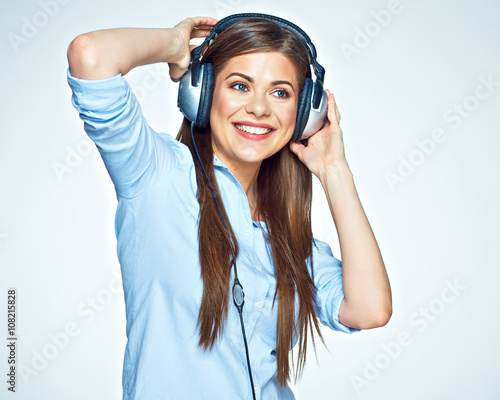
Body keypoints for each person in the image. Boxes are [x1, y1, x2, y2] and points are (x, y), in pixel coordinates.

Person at [66, 14, 392, 400]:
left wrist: (334, 171)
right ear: (201, 93)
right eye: (240, 85)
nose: (259, 108)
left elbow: (369, 309)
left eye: (281, 93)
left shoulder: (288, 239)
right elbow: (90, 55)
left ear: (305, 114)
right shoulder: (156, 175)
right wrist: (174, 46)